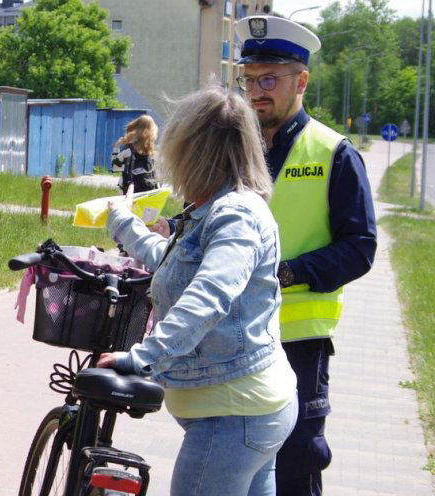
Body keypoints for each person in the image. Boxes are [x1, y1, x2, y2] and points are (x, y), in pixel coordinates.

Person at [98, 85, 298, 495]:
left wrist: (142, 358)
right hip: (246, 410)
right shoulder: (213, 208)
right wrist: (124, 222)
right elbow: (178, 266)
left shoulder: (236, 215)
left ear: (192, 151)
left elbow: (209, 294)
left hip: (234, 413)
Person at [234, 16, 377, 495]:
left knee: (294, 472)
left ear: (302, 81)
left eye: (269, 79)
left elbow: (360, 248)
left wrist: (289, 273)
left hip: (297, 345)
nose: (257, 91)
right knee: (231, 469)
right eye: (249, 79)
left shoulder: (333, 152)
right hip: (230, 339)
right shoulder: (232, 150)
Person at [114, 115, 159, 194]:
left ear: (135, 127)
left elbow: (116, 167)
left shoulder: (128, 150)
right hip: (149, 194)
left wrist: (116, 147)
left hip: (127, 193)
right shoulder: (153, 153)